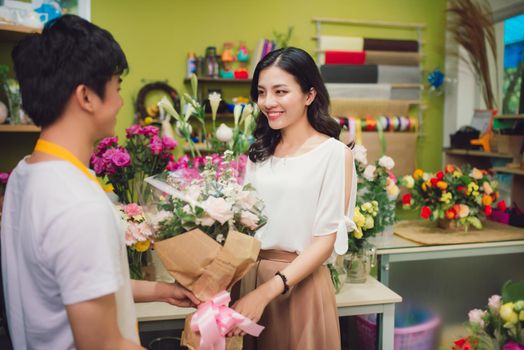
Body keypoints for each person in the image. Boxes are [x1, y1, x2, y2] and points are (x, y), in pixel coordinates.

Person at [1, 15, 199, 350]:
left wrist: (162, 290)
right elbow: (104, 344)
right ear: (87, 97)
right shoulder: (78, 204)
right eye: (117, 88)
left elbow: (73, 284)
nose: (121, 101)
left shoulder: (25, 174)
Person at [231, 47, 357, 349]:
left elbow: (324, 241)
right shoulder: (257, 155)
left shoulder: (333, 154)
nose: (268, 102)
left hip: (297, 286)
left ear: (309, 95)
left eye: (280, 91)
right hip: (247, 282)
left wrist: (266, 292)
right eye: (261, 92)